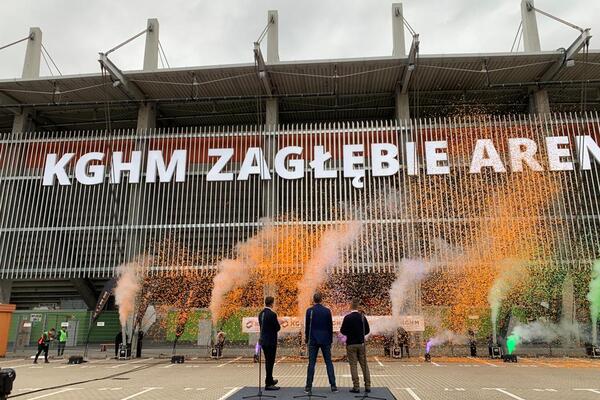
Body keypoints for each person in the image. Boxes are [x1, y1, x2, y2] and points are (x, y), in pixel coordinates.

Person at [304, 292, 338, 394]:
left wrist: (306, 339)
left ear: (313, 300)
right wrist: (330, 340)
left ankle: (308, 387)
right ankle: (333, 386)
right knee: (328, 362)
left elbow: (307, 327)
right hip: (325, 340)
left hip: (313, 340)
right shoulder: (327, 311)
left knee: (311, 363)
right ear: (321, 299)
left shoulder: (309, 311)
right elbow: (330, 326)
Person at [340, 299, 371, 394]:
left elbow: (343, 331)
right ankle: (368, 386)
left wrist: (349, 334)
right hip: (361, 344)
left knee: (353, 365)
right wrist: (361, 335)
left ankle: (356, 386)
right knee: (364, 364)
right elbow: (367, 330)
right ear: (358, 307)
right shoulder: (362, 317)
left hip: (351, 344)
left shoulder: (347, 318)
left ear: (350, 307)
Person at [258, 296, 281, 391]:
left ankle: (270, 379)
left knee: (268, 361)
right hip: (271, 341)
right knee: (270, 362)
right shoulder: (272, 314)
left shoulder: (261, 314)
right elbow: (277, 328)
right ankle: (268, 383)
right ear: (272, 303)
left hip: (263, 340)